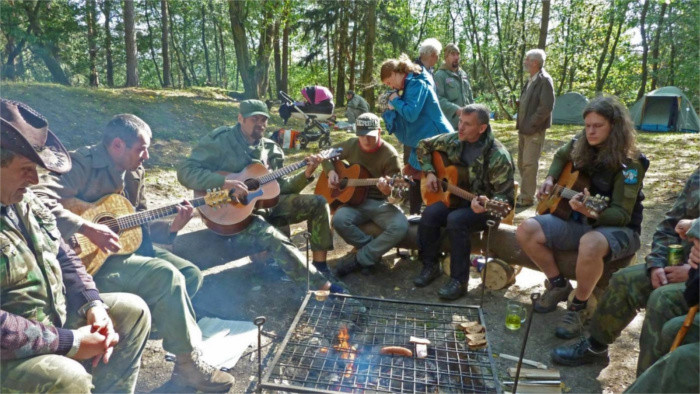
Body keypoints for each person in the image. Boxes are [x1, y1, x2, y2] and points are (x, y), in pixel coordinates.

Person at [34, 114, 235, 391]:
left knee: (190, 274)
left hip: (122, 251)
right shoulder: (81, 163)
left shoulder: (135, 173)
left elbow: (139, 222)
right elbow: (38, 200)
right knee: (166, 276)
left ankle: (151, 331)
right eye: (141, 149)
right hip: (84, 261)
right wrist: (86, 227)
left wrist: (173, 226)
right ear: (117, 145)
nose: (147, 156)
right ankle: (188, 366)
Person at [0, 99, 151, 393]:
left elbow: (62, 254)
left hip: (52, 322)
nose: (34, 181)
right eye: (25, 169)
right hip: (10, 348)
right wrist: (71, 342)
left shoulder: (24, 200)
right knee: (68, 377)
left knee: (133, 312)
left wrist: (93, 304)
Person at [516, 96, 649, 339]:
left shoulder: (630, 164)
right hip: (580, 220)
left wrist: (591, 212)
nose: (591, 131)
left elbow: (621, 215)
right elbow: (559, 156)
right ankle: (558, 284)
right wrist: (550, 179)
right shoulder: (581, 143)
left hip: (620, 230)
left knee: (590, 243)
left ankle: (578, 307)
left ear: (615, 127)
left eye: (598, 126)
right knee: (526, 229)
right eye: (588, 125)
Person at [178, 99, 341, 293]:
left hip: (265, 205)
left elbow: (283, 188)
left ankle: (320, 267)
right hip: (232, 213)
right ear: (240, 118)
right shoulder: (221, 141)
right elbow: (186, 171)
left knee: (318, 202)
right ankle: (319, 287)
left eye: (264, 119)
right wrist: (224, 183)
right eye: (254, 119)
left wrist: (307, 173)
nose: (261, 124)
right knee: (268, 232)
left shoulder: (271, 149)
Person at [549, 167, 698, 374]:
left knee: (662, 300)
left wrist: (693, 274)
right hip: (678, 267)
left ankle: (648, 380)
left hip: (694, 279)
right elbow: (670, 225)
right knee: (623, 280)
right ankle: (596, 347)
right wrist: (656, 264)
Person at [413, 104, 514, 300]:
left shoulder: (498, 156)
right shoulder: (454, 140)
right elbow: (423, 145)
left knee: (457, 220)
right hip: (455, 197)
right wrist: (431, 172)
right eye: (460, 121)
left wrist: (487, 203)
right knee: (430, 214)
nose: (460, 127)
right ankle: (430, 265)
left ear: (482, 128)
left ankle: (459, 281)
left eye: (467, 124)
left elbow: (505, 198)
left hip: (486, 208)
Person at [324, 113, 408, 277]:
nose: (365, 140)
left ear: (379, 132)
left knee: (400, 226)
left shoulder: (390, 155)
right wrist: (331, 172)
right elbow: (326, 154)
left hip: (380, 202)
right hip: (355, 201)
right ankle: (371, 251)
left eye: (370, 135)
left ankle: (361, 258)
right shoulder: (352, 145)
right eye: (361, 135)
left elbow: (399, 194)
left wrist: (388, 192)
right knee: (339, 220)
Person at [380, 54, 454, 215]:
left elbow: (411, 113)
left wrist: (395, 101)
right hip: (422, 142)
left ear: (393, 74)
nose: (391, 87)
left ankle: (437, 215)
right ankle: (414, 215)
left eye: (389, 82)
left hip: (436, 138)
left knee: (437, 178)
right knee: (414, 175)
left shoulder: (417, 83)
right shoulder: (407, 86)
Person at [516, 48, 555, 207]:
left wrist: (532, 123)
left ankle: (526, 198)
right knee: (521, 163)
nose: (524, 62)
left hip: (534, 130)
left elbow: (546, 106)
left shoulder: (544, 79)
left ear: (535, 62)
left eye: (527, 59)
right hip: (524, 129)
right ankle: (525, 193)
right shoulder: (531, 79)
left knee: (529, 163)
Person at [434, 43, 474, 130]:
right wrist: (456, 109)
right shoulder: (440, 75)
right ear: (446, 57)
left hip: (467, 124)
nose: (456, 57)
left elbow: (470, 96)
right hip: (450, 125)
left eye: (458, 54)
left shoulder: (463, 74)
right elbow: (438, 99)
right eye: (452, 54)